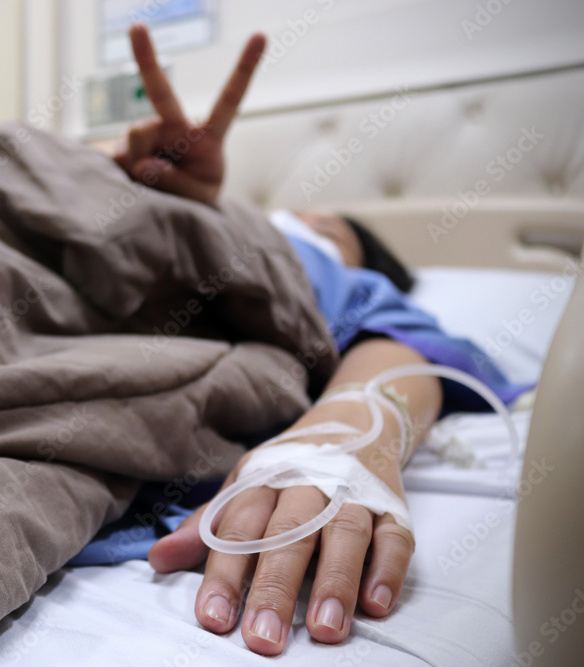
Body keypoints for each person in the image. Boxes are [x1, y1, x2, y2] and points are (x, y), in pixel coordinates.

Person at [100, 24, 526, 657]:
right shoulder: (199, 208)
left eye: (326, 226)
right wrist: (120, 182)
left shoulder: (338, 279)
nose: (301, 218)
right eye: (294, 216)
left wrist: (341, 440)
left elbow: (398, 351)